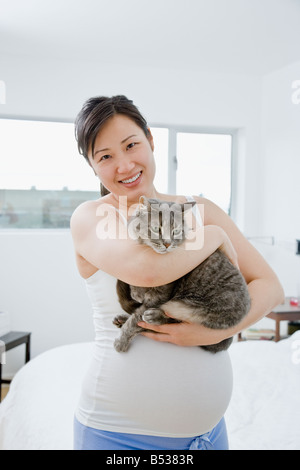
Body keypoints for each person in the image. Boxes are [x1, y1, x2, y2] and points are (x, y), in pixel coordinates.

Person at [71, 95, 284, 450]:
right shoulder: (93, 217)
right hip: (119, 437)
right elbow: (148, 271)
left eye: (131, 145)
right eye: (105, 156)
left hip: (209, 436)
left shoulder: (201, 208)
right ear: (92, 166)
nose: (124, 166)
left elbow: (270, 287)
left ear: (151, 140)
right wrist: (213, 235)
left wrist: (213, 332)